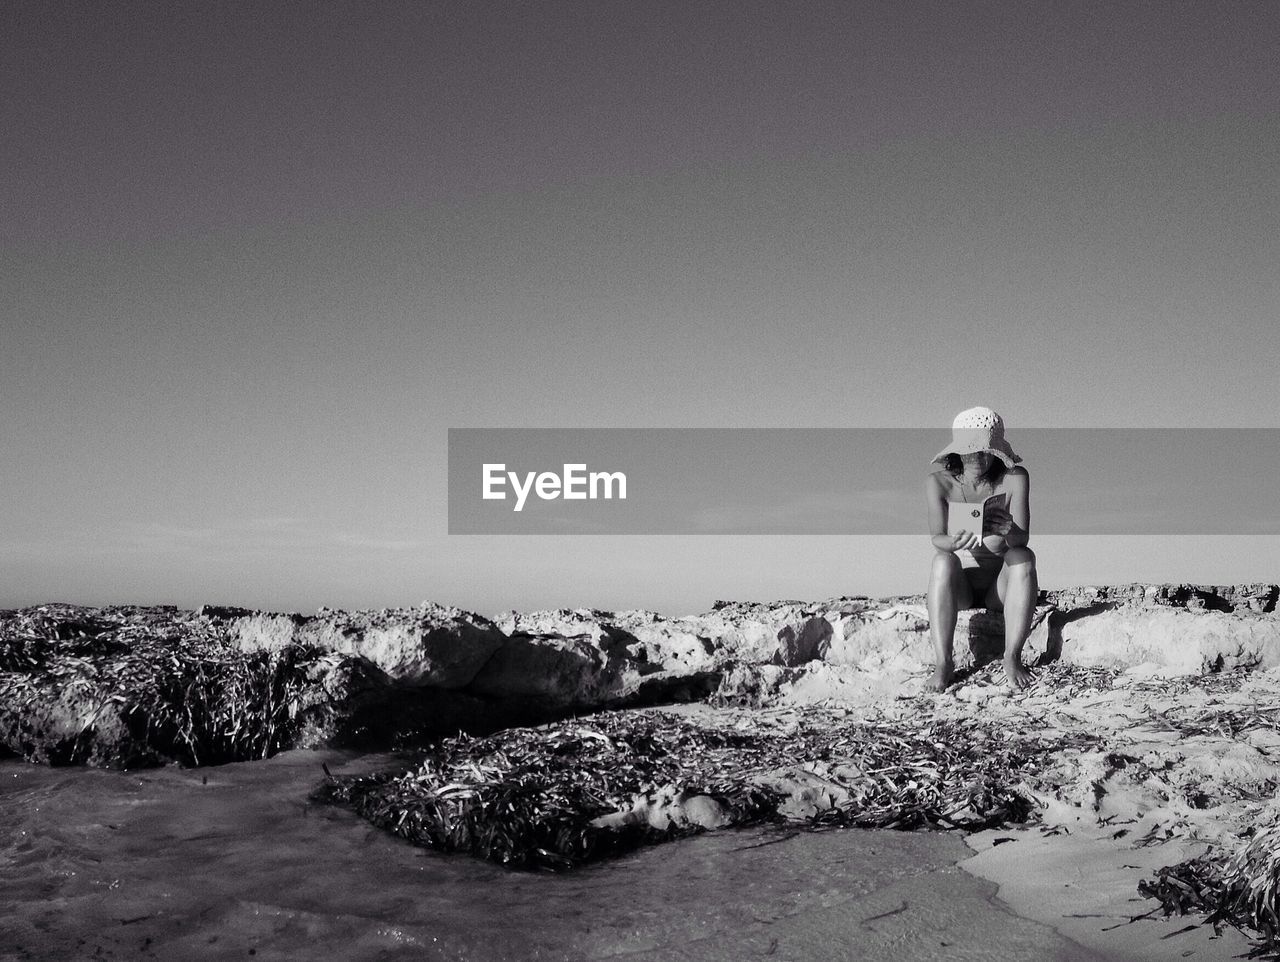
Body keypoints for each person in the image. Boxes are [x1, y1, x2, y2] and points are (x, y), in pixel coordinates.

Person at [924, 406, 1037, 691]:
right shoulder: (938, 482)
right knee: (942, 559)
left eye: (985, 451)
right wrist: (951, 543)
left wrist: (1010, 529)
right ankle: (944, 662)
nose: (978, 458)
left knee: (1023, 555)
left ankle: (1011, 657)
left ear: (997, 452)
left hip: (997, 590)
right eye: (971, 450)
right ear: (957, 451)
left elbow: (1021, 541)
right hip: (959, 587)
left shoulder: (1014, 478)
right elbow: (936, 537)